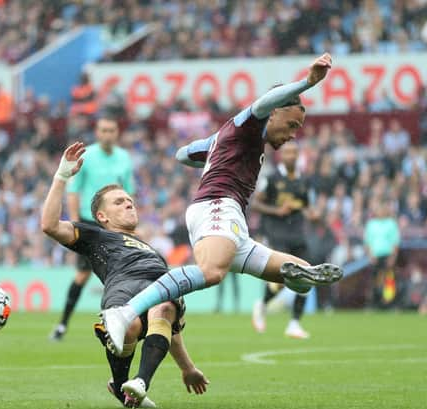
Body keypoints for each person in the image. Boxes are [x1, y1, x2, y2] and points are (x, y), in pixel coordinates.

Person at [102, 53, 343, 355]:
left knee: (302, 275)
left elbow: (182, 154)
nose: (293, 135)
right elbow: (263, 102)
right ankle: (124, 312)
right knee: (212, 271)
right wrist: (306, 83)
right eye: (292, 125)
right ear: (273, 113)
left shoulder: (235, 137)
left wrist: (216, 149)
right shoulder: (247, 125)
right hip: (217, 204)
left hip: (232, 220)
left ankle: (300, 279)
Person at [41, 143, 208, 408]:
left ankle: (140, 382)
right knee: (128, 325)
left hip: (159, 286)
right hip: (122, 286)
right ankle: (121, 386)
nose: (129, 204)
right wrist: (61, 176)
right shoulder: (96, 236)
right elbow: (49, 225)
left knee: (164, 309)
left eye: (130, 200)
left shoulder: (153, 251)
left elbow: (171, 331)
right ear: (102, 216)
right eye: (119, 202)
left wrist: (188, 368)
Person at [49, 116, 135, 341]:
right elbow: (74, 190)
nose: (108, 134)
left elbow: (128, 192)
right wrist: (76, 222)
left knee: (120, 273)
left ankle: (120, 323)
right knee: (83, 274)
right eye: (104, 130)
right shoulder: (88, 155)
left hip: (115, 224)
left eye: (112, 130)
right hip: (89, 222)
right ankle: (62, 324)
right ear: (97, 132)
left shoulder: (125, 158)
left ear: (117, 133)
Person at [250, 141, 313, 339]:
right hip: (277, 233)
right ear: (281, 155)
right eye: (287, 152)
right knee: (286, 275)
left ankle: (294, 324)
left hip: (298, 233)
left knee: (306, 274)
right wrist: (277, 211)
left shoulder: (303, 180)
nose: (291, 156)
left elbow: (305, 206)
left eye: (295, 152)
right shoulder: (271, 178)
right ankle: (262, 304)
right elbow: (255, 204)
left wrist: (314, 214)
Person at [363, 200, 400, 309]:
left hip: (387, 255)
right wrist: (370, 255)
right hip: (375, 256)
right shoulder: (371, 224)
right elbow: (368, 242)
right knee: (374, 280)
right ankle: (374, 303)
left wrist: (393, 257)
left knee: (389, 280)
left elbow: (395, 242)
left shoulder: (391, 223)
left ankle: (390, 303)